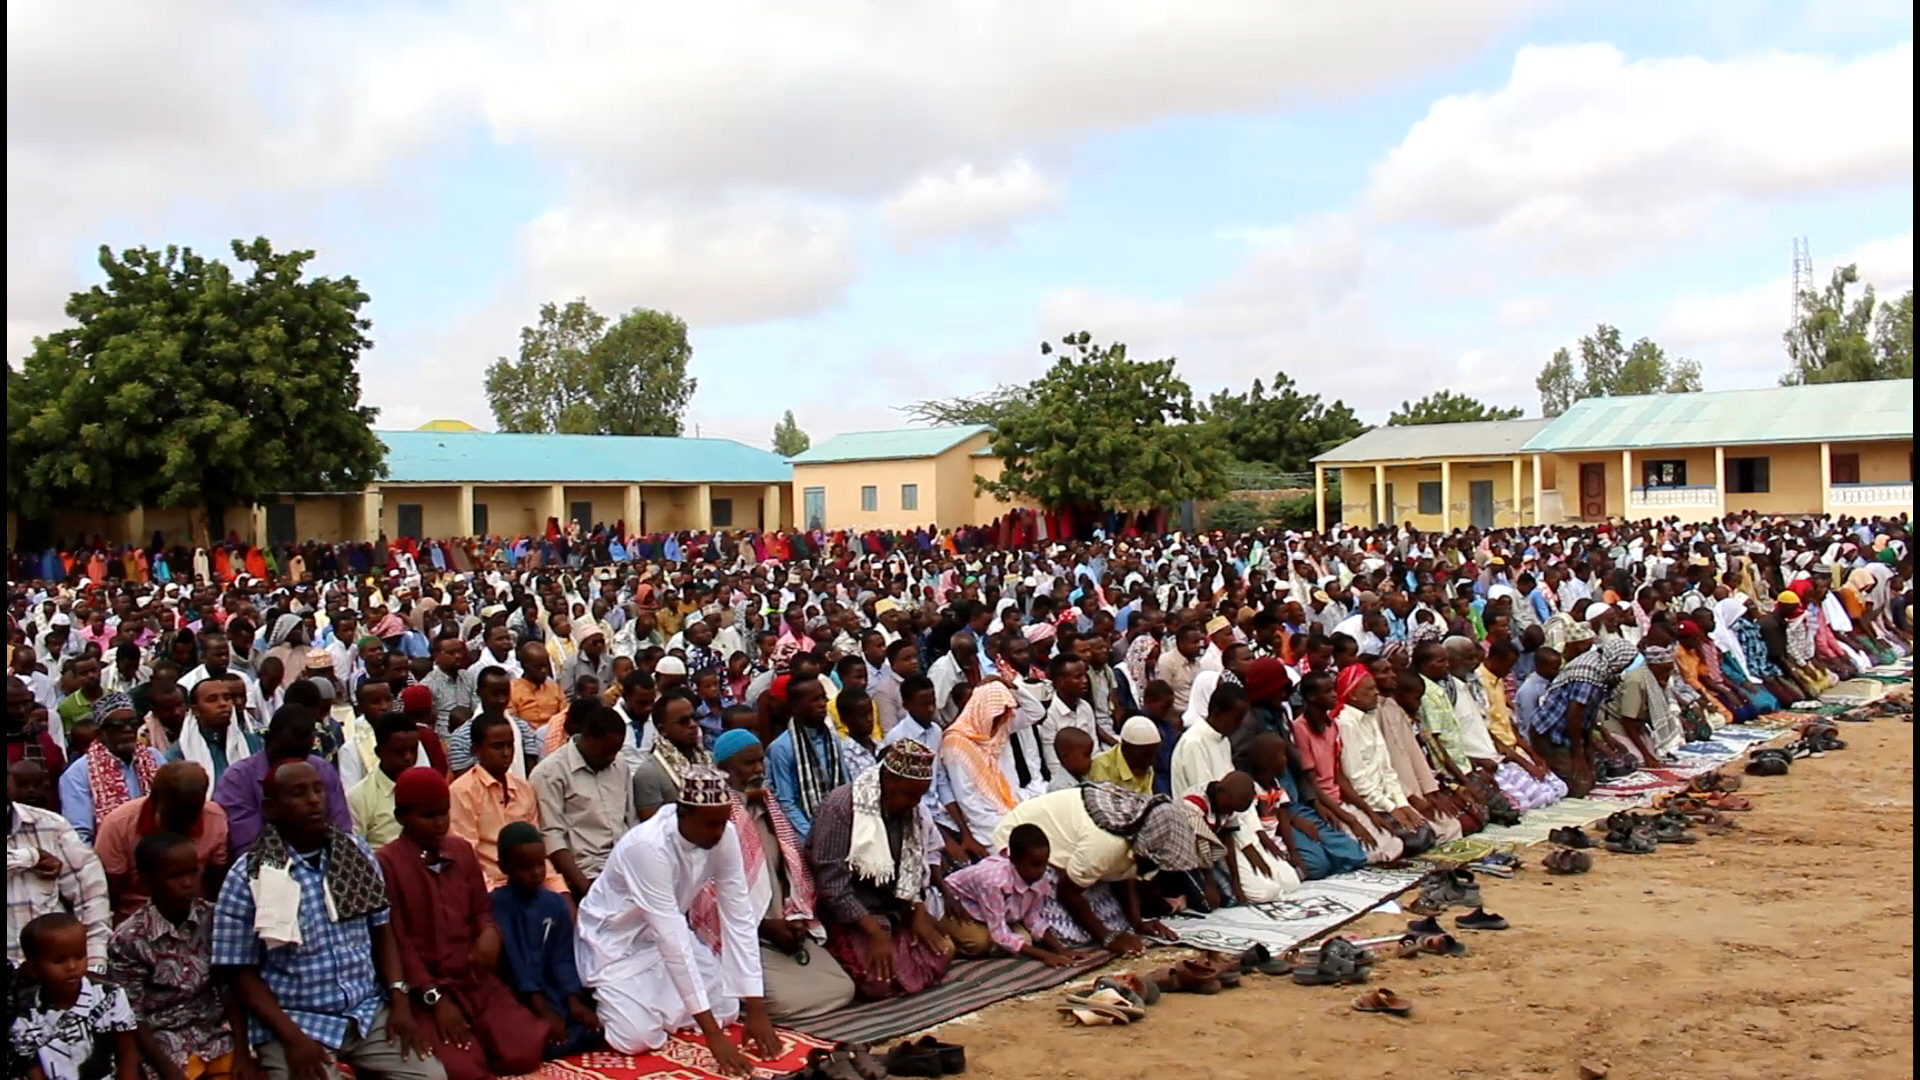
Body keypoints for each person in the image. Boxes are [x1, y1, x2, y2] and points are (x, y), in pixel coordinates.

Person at [210, 757, 443, 1080]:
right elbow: (240, 972)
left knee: (432, 1077)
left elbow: (382, 930)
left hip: (366, 1012)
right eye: (299, 793)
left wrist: (399, 1000)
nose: (313, 800)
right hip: (295, 1021)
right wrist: (292, 1038)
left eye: (318, 789)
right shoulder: (249, 875)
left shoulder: (356, 853)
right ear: (271, 808)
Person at [573, 765, 780, 1077]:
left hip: (664, 939)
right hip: (616, 943)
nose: (718, 833)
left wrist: (756, 1007)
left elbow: (739, 917)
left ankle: (661, 1004)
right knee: (634, 1037)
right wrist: (712, 1036)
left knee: (727, 1008)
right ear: (683, 813)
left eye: (723, 823)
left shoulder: (723, 834)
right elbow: (671, 938)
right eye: (710, 825)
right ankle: (607, 998)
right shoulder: (648, 846)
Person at [375, 768, 547, 1080]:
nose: (440, 823)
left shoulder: (460, 850)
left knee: (525, 1050)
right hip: (426, 990)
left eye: (444, 813)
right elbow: (398, 942)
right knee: (463, 1070)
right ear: (402, 817)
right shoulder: (387, 862)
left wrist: (489, 933)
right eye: (428, 816)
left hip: (473, 978)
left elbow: (481, 909)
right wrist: (435, 998)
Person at [703, 728, 857, 1026]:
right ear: (724, 770)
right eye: (749, 763)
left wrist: (795, 915)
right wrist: (763, 926)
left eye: (761, 761)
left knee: (843, 988)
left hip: (783, 925)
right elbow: (708, 895)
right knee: (784, 1003)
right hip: (744, 934)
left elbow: (791, 873)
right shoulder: (715, 820)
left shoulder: (768, 806)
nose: (759, 770)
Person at [993, 782, 1219, 955]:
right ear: (1151, 850)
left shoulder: (1140, 834)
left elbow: (1123, 874)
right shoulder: (1107, 844)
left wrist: (1137, 923)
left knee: (1116, 921)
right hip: (1028, 849)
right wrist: (1107, 938)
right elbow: (1068, 890)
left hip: (1076, 856)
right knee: (1068, 934)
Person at [807, 739, 954, 1001]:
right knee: (878, 984)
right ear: (888, 779)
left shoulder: (910, 811)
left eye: (919, 796)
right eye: (909, 795)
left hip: (892, 909)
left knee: (943, 951)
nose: (915, 803)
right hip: (849, 914)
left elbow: (911, 868)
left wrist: (918, 910)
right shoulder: (841, 807)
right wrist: (874, 931)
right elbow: (832, 886)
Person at [106, 832, 234, 1080]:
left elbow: (229, 987)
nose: (188, 883)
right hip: (164, 1045)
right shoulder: (129, 939)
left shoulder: (213, 919)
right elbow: (132, 1015)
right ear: (146, 882)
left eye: (192, 872)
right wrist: (168, 1071)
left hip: (216, 1035)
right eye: (175, 876)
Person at [1171, 683, 1300, 901]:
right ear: (1218, 713)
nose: (1240, 725)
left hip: (1238, 829)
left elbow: (1242, 796)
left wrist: (1259, 835)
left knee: (1290, 881)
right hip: (1211, 835)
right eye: (1237, 718)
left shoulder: (1223, 741)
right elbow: (1213, 809)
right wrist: (1247, 847)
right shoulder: (1194, 743)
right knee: (1266, 892)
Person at [488, 823, 602, 1059]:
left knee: (595, 1029)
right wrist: (542, 1009)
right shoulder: (497, 904)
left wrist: (573, 999)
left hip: (552, 990)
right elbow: (514, 964)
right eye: (526, 867)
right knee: (526, 1041)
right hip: (519, 994)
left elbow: (563, 957)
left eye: (540, 864)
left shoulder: (555, 904)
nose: (536, 873)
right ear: (504, 867)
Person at [11, 912, 139, 1080]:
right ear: (34, 969)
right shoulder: (25, 1014)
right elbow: (33, 1069)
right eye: (59, 961)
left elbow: (127, 1054)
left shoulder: (111, 995)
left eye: (79, 956)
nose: (72, 966)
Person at [95, 762, 230, 920]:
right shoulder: (118, 825)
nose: (181, 825)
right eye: (174, 817)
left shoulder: (215, 819)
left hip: (196, 916)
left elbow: (217, 882)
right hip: (135, 917)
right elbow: (109, 893)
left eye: (189, 818)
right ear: (154, 800)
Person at [211, 706, 352, 856]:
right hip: (267, 863)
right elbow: (247, 847)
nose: (292, 764)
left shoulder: (322, 769)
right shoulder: (237, 779)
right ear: (269, 740)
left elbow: (342, 829)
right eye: (286, 754)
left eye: (299, 756)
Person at [936, 823, 1083, 966]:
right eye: (1035, 865)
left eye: (1044, 864)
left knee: (1024, 940)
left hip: (990, 910)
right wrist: (1045, 956)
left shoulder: (1039, 878)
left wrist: (1060, 949)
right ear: (1013, 860)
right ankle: (946, 933)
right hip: (955, 904)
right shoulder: (994, 883)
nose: (1041, 870)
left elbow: (1033, 918)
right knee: (980, 943)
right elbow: (1000, 934)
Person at [449, 713, 566, 893]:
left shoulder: (523, 787)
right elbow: (466, 858)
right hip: (490, 888)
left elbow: (536, 849)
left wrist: (559, 889)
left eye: (510, 745)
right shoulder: (462, 792)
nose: (506, 753)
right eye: (497, 747)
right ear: (476, 750)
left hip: (531, 883)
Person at [528, 701, 633, 898]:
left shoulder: (620, 765)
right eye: (606, 750)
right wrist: (588, 891)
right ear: (588, 737)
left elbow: (631, 821)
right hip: (584, 875)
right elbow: (552, 837)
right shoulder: (549, 773)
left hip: (625, 867)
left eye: (616, 751)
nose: (611, 757)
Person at [7, 797, 110, 970]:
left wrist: (94, 961)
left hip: (55, 976)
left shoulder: (51, 826)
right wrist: (31, 857)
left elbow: (91, 896)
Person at [59, 694, 167, 843]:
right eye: (118, 725)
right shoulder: (78, 774)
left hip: (161, 846)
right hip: (109, 851)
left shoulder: (154, 757)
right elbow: (79, 836)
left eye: (133, 723)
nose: (128, 729)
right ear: (100, 733)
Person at [765, 677, 848, 840]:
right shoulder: (782, 748)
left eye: (823, 698)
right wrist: (813, 837)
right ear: (795, 707)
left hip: (839, 828)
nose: (822, 704)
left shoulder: (833, 740)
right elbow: (787, 802)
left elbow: (845, 785)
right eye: (815, 700)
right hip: (805, 835)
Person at [346, 715, 429, 847]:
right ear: (379, 752)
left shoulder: (427, 788)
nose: (408, 757)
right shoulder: (359, 797)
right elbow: (355, 850)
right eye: (400, 751)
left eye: (413, 750)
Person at [630, 689, 713, 820]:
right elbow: (653, 827)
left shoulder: (709, 760)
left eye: (694, 718)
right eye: (683, 721)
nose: (693, 725)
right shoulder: (648, 774)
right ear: (662, 730)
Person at [166, 679, 260, 784]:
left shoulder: (254, 743)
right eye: (212, 699)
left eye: (227, 698)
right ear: (196, 710)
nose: (223, 703)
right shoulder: (179, 753)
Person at [1086, 715, 1161, 794]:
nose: (1152, 760)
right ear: (1126, 747)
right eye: (1145, 755)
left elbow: (1146, 799)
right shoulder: (1102, 765)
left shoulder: (1146, 767)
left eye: (1154, 754)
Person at [508, 643, 565, 730]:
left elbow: (564, 715)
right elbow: (513, 722)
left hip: (555, 731)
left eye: (545, 666)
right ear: (524, 666)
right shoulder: (512, 690)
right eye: (538, 667)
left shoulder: (555, 688)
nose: (543, 671)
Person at [1047, 727, 1095, 792]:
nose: (1091, 760)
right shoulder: (1060, 788)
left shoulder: (1083, 777)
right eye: (1086, 755)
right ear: (1066, 757)